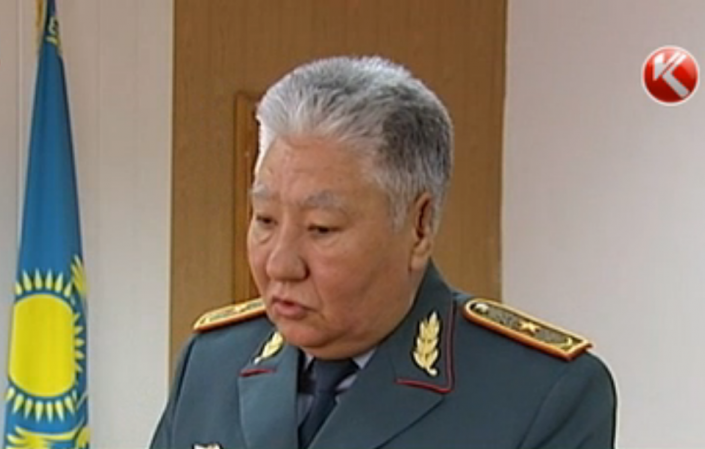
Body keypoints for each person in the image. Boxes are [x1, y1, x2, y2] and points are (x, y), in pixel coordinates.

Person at [149, 56, 617, 449]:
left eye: (321, 228)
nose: (280, 265)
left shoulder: (542, 394)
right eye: (265, 220)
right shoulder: (212, 362)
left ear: (419, 227)